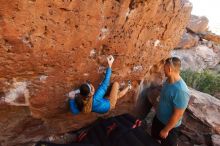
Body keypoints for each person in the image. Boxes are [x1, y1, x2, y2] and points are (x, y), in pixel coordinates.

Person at [67, 55, 131, 114]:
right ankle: (128, 87)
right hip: (110, 105)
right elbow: (105, 84)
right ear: (90, 93)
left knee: (116, 96)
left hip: (102, 106)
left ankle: (127, 87)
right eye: (91, 88)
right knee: (116, 84)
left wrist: (72, 99)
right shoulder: (96, 98)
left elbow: (75, 111)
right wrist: (110, 65)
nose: (92, 87)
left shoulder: (82, 103)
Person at [151, 57, 190, 146]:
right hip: (158, 120)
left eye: (164, 68)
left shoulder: (181, 90)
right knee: (153, 140)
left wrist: (166, 130)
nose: (162, 70)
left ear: (169, 69)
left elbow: (178, 114)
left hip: (170, 127)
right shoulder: (168, 81)